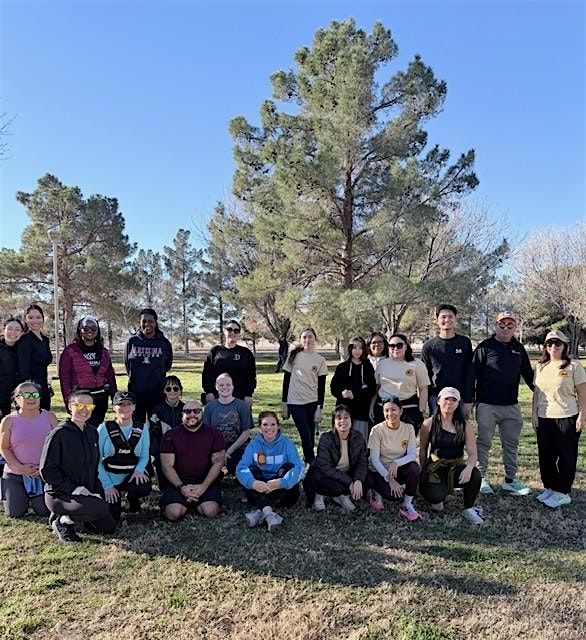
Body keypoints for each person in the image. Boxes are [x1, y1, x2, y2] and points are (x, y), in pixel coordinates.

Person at [40, 389, 117, 543]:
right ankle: (62, 521)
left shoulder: (92, 432)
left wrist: (97, 491)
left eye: (89, 406)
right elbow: (47, 470)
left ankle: (82, 515)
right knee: (100, 507)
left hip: (86, 490)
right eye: (79, 405)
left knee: (109, 526)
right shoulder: (59, 434)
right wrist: (76, 489)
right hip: (61, 494)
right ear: (70, 406)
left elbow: (93, 467)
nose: (84, 410)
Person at [473, 311, 534, 496]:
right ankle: (480, 478)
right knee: (483, 443)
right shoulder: (484, 347)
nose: (506, 328)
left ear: (515, 327)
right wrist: (468, 401)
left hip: (511, 406)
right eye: (502, 325)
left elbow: (528, 374)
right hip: (487, 405)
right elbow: (471, 375)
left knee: (511, 444)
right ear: (496, 325)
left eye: (510, 325)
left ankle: (510, 480)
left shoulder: (519, 348)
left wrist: (541, 394)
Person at [532, 330, 586, 509]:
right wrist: (534, 414)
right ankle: (550, 487)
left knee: (566, 456)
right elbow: (537, 393)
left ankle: (563, 492)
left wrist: (582, 415)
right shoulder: (541, 366)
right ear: (545, 347)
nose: (553, 346)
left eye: (557, 343)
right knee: (546, 456)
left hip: (566, 417)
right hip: (544, 417)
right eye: (549, 343)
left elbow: (583, 393)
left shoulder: (573, 366)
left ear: (564, 346)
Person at [419, 387, 484, 525]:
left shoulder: (464, 425)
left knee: (475, 475)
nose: (449, 402)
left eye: (454, 400)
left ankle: (469, 508)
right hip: (436, 468)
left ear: (458, 403)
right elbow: (423, 450)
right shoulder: (428, 424)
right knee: (436, 501)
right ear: (438, 401)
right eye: (446, 399)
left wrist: (468, 468)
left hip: (456, 466)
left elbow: (473, 454)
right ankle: (438, 495)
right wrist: (423, 473)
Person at [236, 410, 304, 532]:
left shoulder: (287, 443)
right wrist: (253, 483)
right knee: (250, 470)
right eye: (265, 424)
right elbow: (241, 467)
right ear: (260, 428)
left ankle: (261, 511)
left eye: (273, 424)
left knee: (289, 466)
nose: (269, 428)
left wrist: (281, 482)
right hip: (260, 486)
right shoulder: (254, 444)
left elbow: (298, 466)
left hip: (282, 487)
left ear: (278, 426)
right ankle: (269, 514)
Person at [159, 400, 225, 521]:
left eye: (196, 411)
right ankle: (183, 501)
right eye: (188, 411)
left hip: (206, 482)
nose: (192, 414)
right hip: (178, 483)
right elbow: (166, 466)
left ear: (202, 413)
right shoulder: (170, 435)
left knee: (210, 511)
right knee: (173, 513)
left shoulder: (215, 434)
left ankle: (196, 501)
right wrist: (182, 488)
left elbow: (218, 463)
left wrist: (203, 487)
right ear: (182, 414)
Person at [0, 381, 58, 517]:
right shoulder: (8, 420)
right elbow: (3, 448)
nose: (31, 398)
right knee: (15, 513)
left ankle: (35, 498)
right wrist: (21, 468)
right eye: (26, 395)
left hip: (42, 473)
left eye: (35, 394)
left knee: (44, 511)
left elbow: (57, 446)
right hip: (15, 473)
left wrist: (44, 467)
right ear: (16, 399)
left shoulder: (50, 417)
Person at [98, 391, 152, 521]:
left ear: (134, 407)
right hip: (110, 476)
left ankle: (132, 496)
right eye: (121, 404)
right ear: (114, 407)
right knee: (112, 517)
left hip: (131, 475)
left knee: (143, 487)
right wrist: (107, 486)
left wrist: (139, 470)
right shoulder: (104, 428)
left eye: (129, 404)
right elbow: (96, 460)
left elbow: (145, 456)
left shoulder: (142, 428)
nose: (125, 407)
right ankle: (114, 498)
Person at [303, 404, 368, 513]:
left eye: (346, 417)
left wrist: (358, 480)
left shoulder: (358, 437)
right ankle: (319, 495)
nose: (343, 421)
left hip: (343, 473)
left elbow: (362, 462)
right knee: (338, 487)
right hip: (321, 474)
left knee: (366, 480)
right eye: (339, 418)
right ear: (334, 422)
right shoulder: (326, 438)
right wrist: (350, 482)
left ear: (351, 420)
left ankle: (341, 496)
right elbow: (325, 467)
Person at [366, 396, 421, 520]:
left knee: (414, 468)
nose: (390, 414)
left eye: (393, 410)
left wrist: (396, 462)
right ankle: (374, 491)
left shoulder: (409, 428)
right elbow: (374, 460)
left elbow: (412, 454)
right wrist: (389, 479)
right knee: (393, 496)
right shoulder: (376, 430)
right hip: (380, 471)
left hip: (397, 469)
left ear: (401, 411)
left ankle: (407, 504)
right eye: (386, 410)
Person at [59, 316, 117, 427]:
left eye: (93, 329)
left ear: (98, 331)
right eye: (86, 328)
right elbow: (64, 377)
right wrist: (68, 401)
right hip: (81, 398)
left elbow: (110, 375)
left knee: (96, 429)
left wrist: (115, 398)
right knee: (81, 428)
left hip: (100, 399)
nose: (89, 331)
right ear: (80, 330)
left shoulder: (104, 352)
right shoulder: (70, 351)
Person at [281, 327, 328, 463]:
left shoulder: (320, 360)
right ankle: (311, 461)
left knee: (310, 435)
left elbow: (321, 387)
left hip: (312, 402)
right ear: (301, 339)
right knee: (305, 433)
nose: (307, 340)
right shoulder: (293, 356)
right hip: (295, 402)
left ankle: (308, 460)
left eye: (310, 336)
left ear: (315, 339)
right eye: (304, 337)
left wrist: (319, 408)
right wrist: (284, 404)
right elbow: (286, 381)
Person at [370, 333, 430, 436]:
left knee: (405, 442)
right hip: (384, 409)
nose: (395, 348)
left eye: (399, 345)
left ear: (406, 346)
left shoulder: (417, 364)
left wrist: (421, 410)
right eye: (392, 346)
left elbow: (423, 388)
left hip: (408, 409)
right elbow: (377, 388)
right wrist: (372, 407)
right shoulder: (382, 364)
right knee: (383, 441)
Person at [421, 305, 474, 418]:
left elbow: (469, 373)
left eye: (450, 316)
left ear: (455, 319)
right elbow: (425, 377)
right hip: (436, 397)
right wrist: (425, 401)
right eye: (443, 317)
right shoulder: (429, 346)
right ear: (437, 320)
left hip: (460, 397)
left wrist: (468, 400)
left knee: (460, 428)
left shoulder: (465, 343)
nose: (447, 320)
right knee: (437, 428)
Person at [125, 308, 173, 423]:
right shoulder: (132, 342)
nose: (147, 324)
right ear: (140, 323)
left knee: (156, 424)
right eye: (144, 321)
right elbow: (127, 364)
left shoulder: (164, 343)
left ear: (156, 323)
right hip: (136, 392)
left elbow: (167, 365)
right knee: (137, 425)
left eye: (150, 321)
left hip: (157, 393)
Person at [203, 373, 252, 474]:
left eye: (228, 384)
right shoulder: (209, 407)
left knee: (239, 468)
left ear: (233, 386)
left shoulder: (242, 406)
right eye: (221, 385)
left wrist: (229, 451)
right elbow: (206, 433)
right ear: (216, 387)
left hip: (237, 447)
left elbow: (246, 432)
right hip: (215, 447)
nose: (224, 387)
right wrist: (218, 451)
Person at [330, 336, 376, 441]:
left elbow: (372, 389)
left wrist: (355, 395)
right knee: (342, 442)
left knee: (359, 441)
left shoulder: (368, 367)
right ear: (350, 348)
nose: (357, 351)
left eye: (360, 348)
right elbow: (333, 387)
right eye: (354, 347)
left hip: (361, 412)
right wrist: (342, 393)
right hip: (343, 412)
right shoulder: (342, 367)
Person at [202, 320, 256, 407]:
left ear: (239, 333)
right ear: (224, 331)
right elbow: (207, 374)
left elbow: (251, 375)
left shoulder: (246, 353)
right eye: (229, 329)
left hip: (240, 397)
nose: (232, 333)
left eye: (236, 331)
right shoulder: (215, 352)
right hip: (217, 397)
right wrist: (209, 392)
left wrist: (249, 394)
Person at [149, 375, 185, 489]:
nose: (172, 391)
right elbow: (154, 435)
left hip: (182, 448)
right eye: (168, 388)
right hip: (162, 449)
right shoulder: (157, 410)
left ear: (180, 390)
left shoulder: (186, 409)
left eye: (175, 388)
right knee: (164, 487)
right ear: (164, 391)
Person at [17, 304, 53, 410]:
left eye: (38, 317)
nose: (35, 321)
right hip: (30, 389)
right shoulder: (24, 340)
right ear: (25, 319)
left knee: (45, 416)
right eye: (30, 317)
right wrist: (29, 391)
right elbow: (23, 368)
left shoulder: (45, 340)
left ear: (43, 319)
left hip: (44, 386)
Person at [0, 317, 24, 419]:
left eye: (17, 329)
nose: (13, 332)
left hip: (18, 391)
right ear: (3, 330)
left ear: (22, 333)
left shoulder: (23, 348)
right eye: (9, 328)